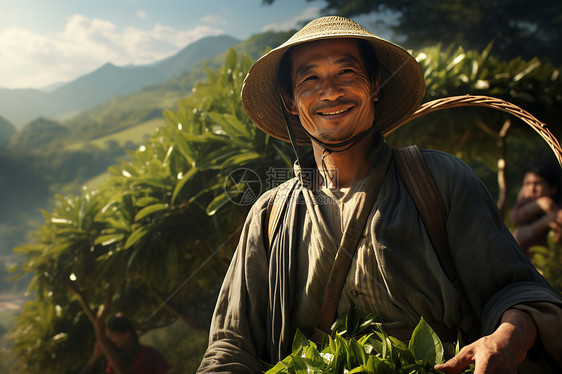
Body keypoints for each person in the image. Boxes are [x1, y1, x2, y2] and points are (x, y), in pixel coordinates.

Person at [197, 16, 562, 373]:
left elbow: (519, 293)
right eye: (309, 78)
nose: (331, 91)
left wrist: (506, 338)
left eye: (346, 73)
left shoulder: (440, 179)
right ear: (290, 101)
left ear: (374, 84)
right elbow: (231, 346)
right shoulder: (270, 214)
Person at [80, 313, 171, 374]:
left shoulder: (148, 354)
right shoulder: (114, 363)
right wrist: (94, 358)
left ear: (127, 333)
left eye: (113, 336)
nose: (112, 340)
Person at [510, 159, 562, 257]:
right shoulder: (525, 202)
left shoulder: (557, 210)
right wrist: (540, 205)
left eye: (537, 183)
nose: (531, 189)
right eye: (527, 184)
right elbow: (515, 222)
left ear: (553, 188)